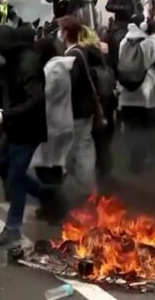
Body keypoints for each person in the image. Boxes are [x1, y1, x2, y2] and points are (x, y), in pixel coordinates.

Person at [0, 25, 47, 246]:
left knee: (16, 177)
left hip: (28, 128)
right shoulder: (8, 63)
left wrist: (4, 115)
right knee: (2, 167)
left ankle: (12, 229)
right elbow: (5, 91)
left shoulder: (28, 63)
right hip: (14, 126)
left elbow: (37, 100)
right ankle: (48, 196)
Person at [118, 19, 155, 174]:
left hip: (127, 91)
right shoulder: (150, 44)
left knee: (129, 126)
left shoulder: (123, 42)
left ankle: (132, 156)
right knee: (143, 127)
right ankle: (139, 160)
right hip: (145, 92)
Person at [59, 16, 100, 208]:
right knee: (85, 149)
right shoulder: (86, 51)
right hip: (88, 110)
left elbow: (69, 87)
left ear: (65, 33)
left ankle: (71, 197)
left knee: (66, 154)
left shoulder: (71, 56)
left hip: (73, 113)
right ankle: (90, 192)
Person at [106, 0, 144, 70]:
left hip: (138, 23)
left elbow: (142, 3)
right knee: (116, 41)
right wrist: (123, 8)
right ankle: (116, 64)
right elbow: (108, 6)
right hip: (122, 24)